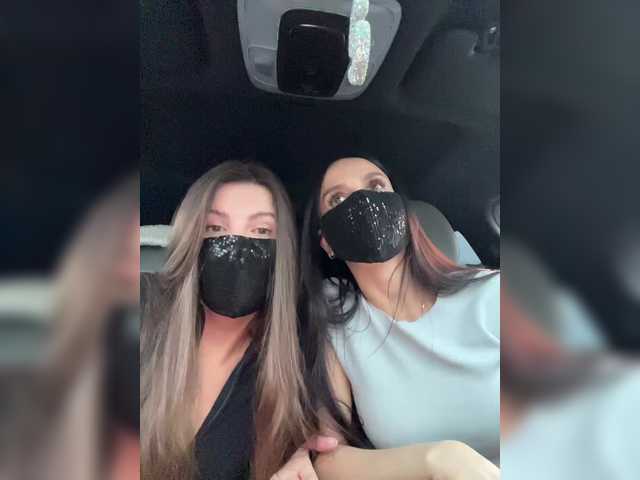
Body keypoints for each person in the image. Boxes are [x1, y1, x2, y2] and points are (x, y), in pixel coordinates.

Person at [294, 156, 500, 479]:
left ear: (403, 212)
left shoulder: (493, 294)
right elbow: (328, 457)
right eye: (337, 198)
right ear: (327, 242)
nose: (363, 201)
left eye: (376, 186)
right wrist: (439, 459)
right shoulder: (336, 317)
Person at [140, 161, 335, 480]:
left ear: (282, 250)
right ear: (191, 237)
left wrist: (301, 457)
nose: (237, 248)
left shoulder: (292, 360)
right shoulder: (141, 304)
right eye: (215, 229)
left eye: (261, 231)